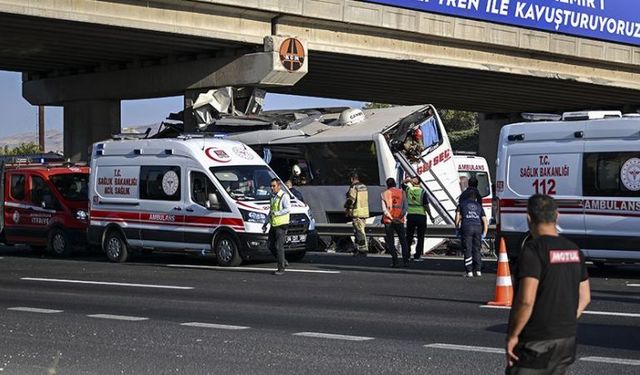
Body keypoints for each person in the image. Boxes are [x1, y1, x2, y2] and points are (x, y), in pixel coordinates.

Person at [506, 194, 591, 375]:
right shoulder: (574, 250)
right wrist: (565, 320)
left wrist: (513, 335)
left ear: (529, 218)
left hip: (537, 341)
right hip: (566, 340)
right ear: (557, 216)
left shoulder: (533, 250)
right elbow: (585, 297)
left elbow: (526, 300)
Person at [455, 189, 487, 277]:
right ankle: (478, 270)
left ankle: (469, 271)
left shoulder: (461, 204)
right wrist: (484, 232)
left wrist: (457, 228)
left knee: (467, 249)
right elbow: (485, 221)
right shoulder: (479, 206)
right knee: (476, 249)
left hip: (467, 227)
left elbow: (457, 217)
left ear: (467, 197)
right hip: (478, 227)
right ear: (475, 198)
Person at [262, 178, 291, 276]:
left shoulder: (284, 196)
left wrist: (277, 213)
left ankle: (281, 268)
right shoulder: (273, 197)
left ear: (279, 186)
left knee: (279, 246)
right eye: (271, 186)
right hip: (274, 224)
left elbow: (288, 209)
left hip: (282, 225)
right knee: (270, 245)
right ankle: (283, 261)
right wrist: (265, 224)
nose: (272, 188)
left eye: (274, 186)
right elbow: (270, 211)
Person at [402, 176, 434, 261]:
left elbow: (402, 183)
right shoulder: (422, 192)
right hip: (421, 215)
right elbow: (426, 205)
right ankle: (417, 256)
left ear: (412, 183)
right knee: (420, 237)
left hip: (411, 215)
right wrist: (431, 216)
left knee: (409, 236)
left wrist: (408, 180)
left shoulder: (408, 190)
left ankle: (407, 255)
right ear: (420, 183)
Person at [381, 177, 408, 267]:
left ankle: (395, 261)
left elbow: (384, 210)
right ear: (395, 184)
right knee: (403, 241)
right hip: (399, 220)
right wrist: (399, 217)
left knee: (390, 242)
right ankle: (406, 261)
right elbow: (405, 208)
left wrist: (392, 218)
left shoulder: (384, 194)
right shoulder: (402, 192)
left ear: (387, 185)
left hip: (389, 221)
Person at [344, 171, 369, 256]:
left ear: (352, 179)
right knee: (361, 230)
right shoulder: (364, 186)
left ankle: (363, 250)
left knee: (359, 232)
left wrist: (347, 208)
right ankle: (359, 248)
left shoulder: (354, 187)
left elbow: (351, 200)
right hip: (364, 212)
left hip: (357, 212)